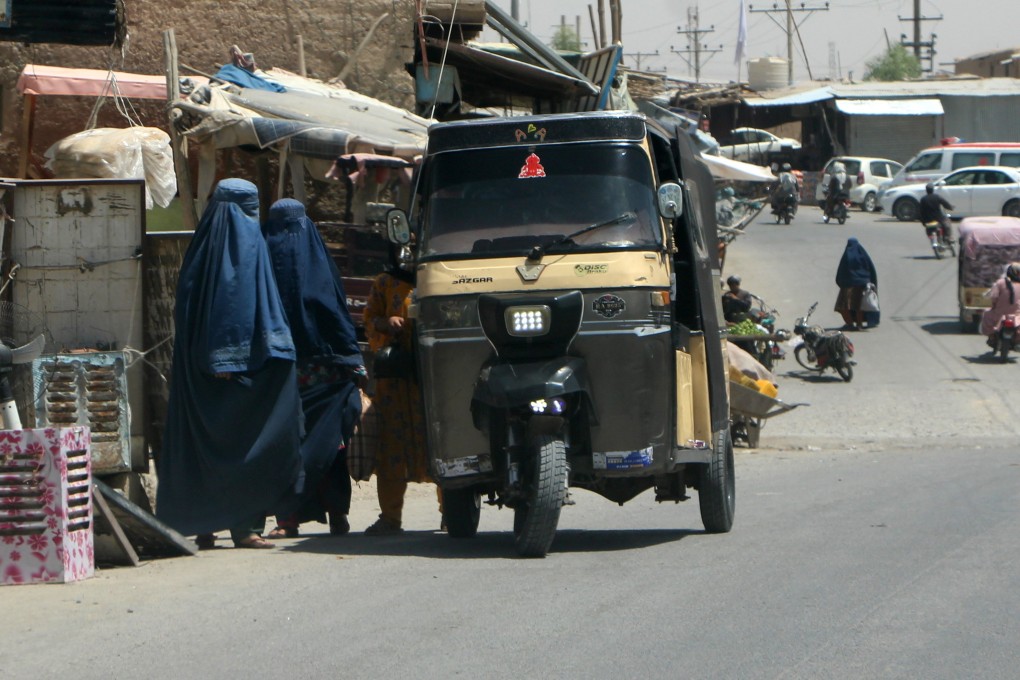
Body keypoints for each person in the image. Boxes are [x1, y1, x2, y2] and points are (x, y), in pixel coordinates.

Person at [156, 179, 302, 550]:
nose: (251, 219)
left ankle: (222, 526)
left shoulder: (201, 252)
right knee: (241, 446)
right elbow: (232, 306)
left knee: (211, 447)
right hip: (226, 372)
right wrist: (226, 357)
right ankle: (231, 527)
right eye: (248, 210)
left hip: (208, 372)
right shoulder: (233, 249)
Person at [263, 198, 367, 539]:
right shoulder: (318, 261)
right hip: (318, 372)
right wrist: (353, 360)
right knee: (328, 445)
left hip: (285, 372)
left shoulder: (264, 261)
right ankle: (334, 513)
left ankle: (289, 518)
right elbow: (335, 313)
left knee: (291, 444)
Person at [362, 242, 439, 534]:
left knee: (437, 442)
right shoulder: (385, 282)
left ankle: (451, 510)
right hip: (395, 382)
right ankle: (390, 517)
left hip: (431, 378)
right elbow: (369, 320)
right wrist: (386, 323)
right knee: (391, 446)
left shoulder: (437, 276)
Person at [834, 237, 878, 330]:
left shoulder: (846, 256)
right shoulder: (862, 254)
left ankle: (850, 323)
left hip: (848, 286)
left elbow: (842, 270)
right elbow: (870, 268)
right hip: (862, 285)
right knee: (859, 306)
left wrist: (840, 281)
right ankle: (859, 324)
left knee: (843, 306)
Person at [980, 263, 1020, 344]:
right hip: (1017, 316)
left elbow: (994, 297)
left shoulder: (1000, 283)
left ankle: (991, 336)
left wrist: (994, 304)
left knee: (986, 314)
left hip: (999, 314)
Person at [919, 182, 955, 250]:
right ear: (933, 190)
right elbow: (945, 204)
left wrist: (923, 221)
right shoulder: (937, 197)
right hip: (939, 219)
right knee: (947, 224)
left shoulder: (923, 199)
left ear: (926, 190)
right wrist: (951, 207)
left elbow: (920, 212)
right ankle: (949, 238)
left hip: (928, 220)